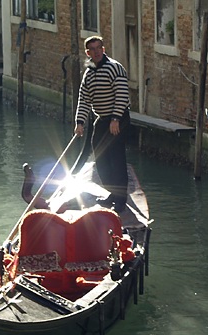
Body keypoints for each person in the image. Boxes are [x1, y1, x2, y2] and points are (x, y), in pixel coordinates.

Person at [74, 35, 131, 212]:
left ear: (103, 49)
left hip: (118, 118)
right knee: (100, 159)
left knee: (117, 159)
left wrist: (115, 119)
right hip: (102, 119)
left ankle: (121, 200)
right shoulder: (88, 74)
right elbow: (84, 100)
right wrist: (80, 122)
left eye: (99, 48)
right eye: (93, 49)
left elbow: (122, 95)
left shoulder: (115, 68)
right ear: (88, 52)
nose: (97, 51)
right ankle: (112, 193)